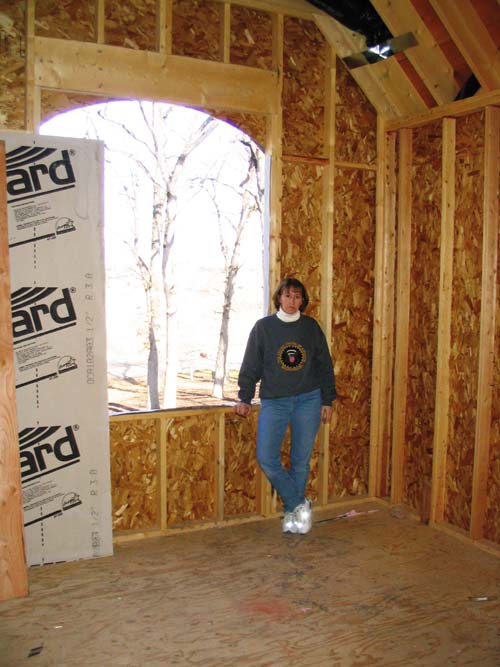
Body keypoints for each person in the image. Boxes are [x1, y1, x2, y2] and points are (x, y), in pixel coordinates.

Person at [234, 277, 336, 534]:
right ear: (279, 297)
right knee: (266, 457)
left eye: (298, 297)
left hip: (309, 400)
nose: (293, 302)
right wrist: (244, 397)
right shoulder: (264, 328)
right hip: (274, 401)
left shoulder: (310, 327)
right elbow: (251, 365)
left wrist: (327, 400)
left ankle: (293, 515)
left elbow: (324, 365)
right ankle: (299, 502)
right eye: (288, 296)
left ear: (303, 300)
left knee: (300, 461)